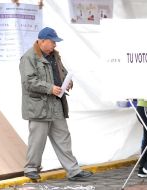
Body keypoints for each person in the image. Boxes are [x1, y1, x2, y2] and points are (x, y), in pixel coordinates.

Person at [19, 27, 93, 181]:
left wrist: (68, 81)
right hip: (39, 106)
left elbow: (63, 72)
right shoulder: (28, 58)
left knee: (63, 138)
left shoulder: (55, 56)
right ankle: (31, 169)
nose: (55, 45)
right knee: (37, 140)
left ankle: (73, 171)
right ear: (42, 41)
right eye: (53, 42)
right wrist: (49, 88)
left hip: (56, 103)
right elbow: (29, 82)